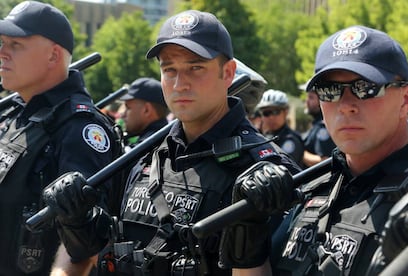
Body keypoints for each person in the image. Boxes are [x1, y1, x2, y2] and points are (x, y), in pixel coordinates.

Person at [41, 9, 302, 276]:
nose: (180, 84)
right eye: (169, 69)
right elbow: (107, 254)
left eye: (195, 68)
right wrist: (78, 223)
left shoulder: (266, 171)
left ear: (228, 73)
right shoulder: (143, 156)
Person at [220, 25, 408, 275]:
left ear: (406, 99)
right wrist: (247, 233)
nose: (345, 106)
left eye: (365, 88)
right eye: (329, 91)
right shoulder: (313, 189)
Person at [0, 1, 121, 275]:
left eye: (15, 45)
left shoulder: (79, 129)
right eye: (2, 43)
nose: (2, 53)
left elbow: (83, 249)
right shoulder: (15, 114)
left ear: (53, 56)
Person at [119, 77, 169, 152]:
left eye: (128, 108)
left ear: (146, 110)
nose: (122, 115)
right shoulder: (161, 138)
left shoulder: (150, 148)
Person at [256, 89, 305, 166]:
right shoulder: (261, 138)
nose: (271, 117)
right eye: (266, 113)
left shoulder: (291, 140)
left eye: (276, 112)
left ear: (285, 112)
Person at [302, 86, 336, 167]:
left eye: (311, 97)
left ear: (322, 99)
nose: (307, 101)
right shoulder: (317, 124)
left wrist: (300, 153)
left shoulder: (323, 127)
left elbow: (325, 161)